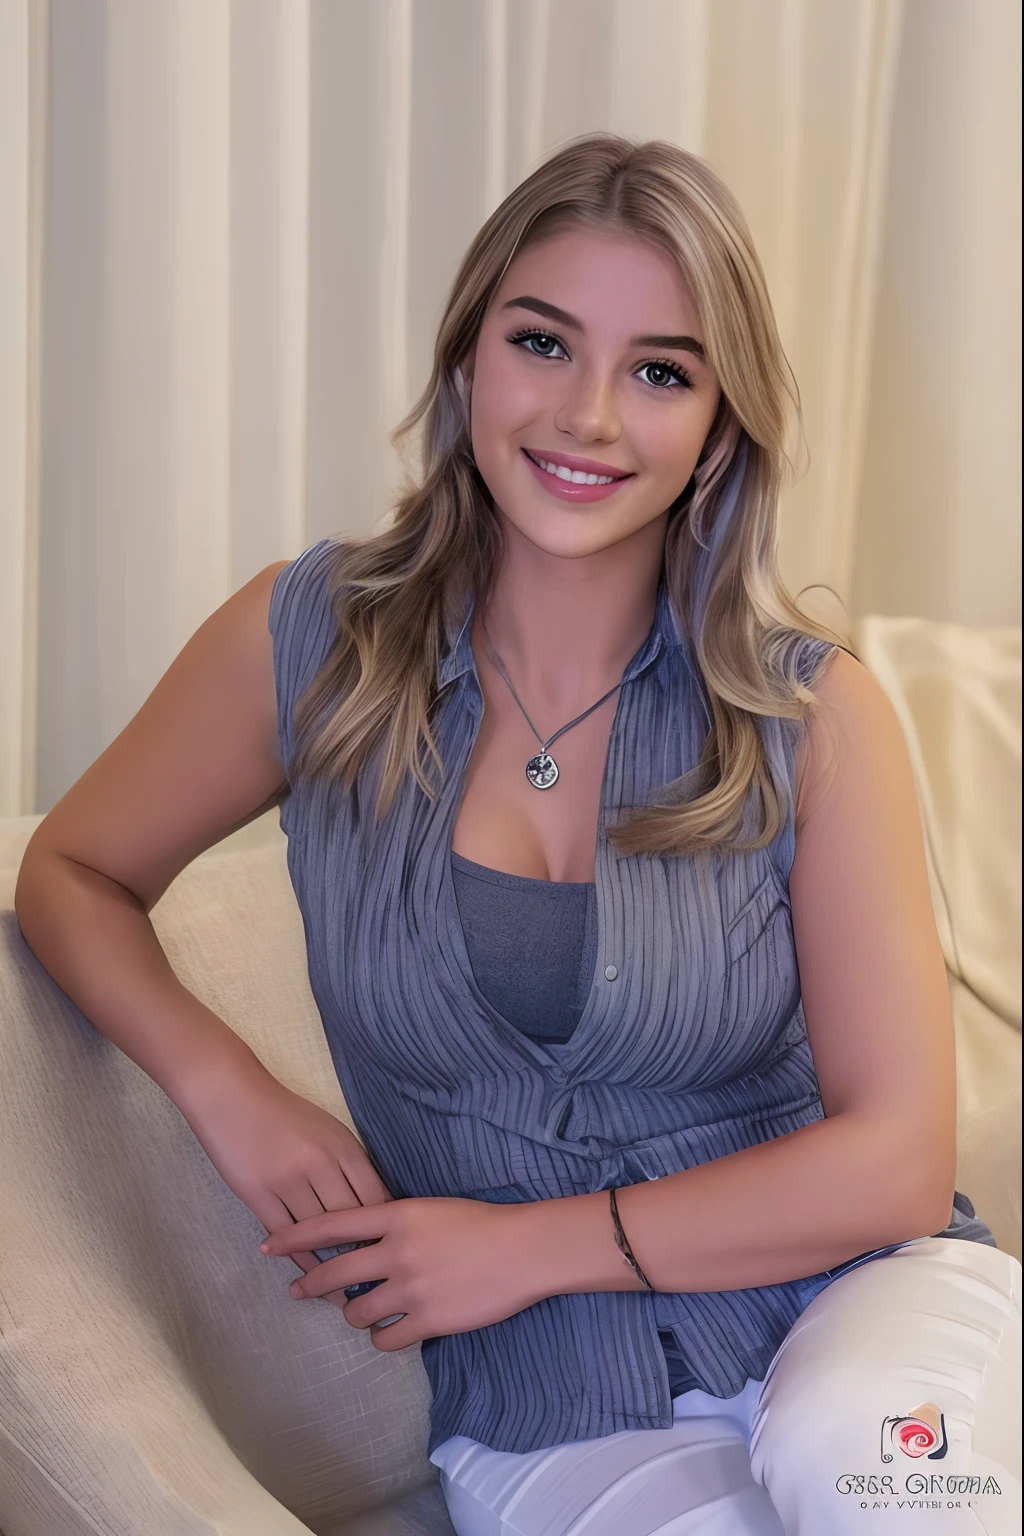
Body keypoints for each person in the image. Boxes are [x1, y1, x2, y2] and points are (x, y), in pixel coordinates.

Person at [14, 133, 1020, 1534]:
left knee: (879, 1475)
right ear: (468, 360)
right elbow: (70, 869)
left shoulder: (812, 718)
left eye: (662, 371)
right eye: (544, 344)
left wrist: (527, 1247)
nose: (590, 416)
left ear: (722, 425)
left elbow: (897, 1159)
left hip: (866, 1305)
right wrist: (227, 1089)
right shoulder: (304, 646)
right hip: (548, 1406)